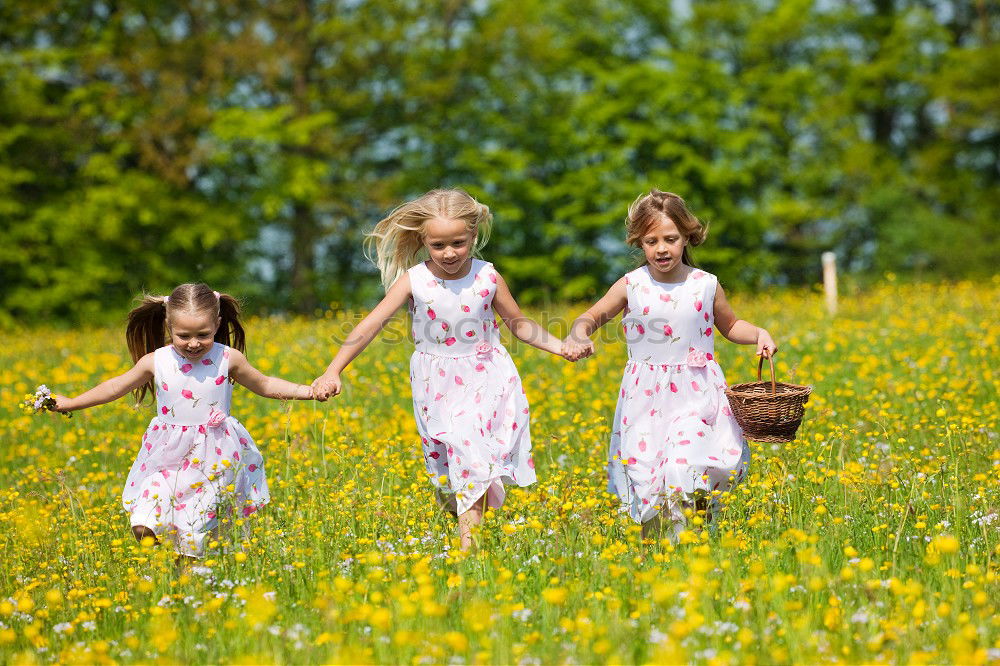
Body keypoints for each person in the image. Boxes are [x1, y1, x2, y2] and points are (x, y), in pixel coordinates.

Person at [312, 189, 566, 551]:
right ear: (424, 242)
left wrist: (561, 347)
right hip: (436, 383)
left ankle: (469, 552)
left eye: (458, 243)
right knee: (449, 474)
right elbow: (370, 325)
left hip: (487, 376)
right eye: (439, 245)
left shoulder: (488, 277)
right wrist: (333, 370)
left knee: (471, 452)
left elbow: (520, 324)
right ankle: (461, 513)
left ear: (473, 236)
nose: (449, 253)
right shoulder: (415, 280)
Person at [562, 190, 777, 540]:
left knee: (687, 465)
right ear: (639, 243)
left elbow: (731, 325)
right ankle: (658, 550)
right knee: (647, 478)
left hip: (697, 394)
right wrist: (579, 334)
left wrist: (759, 334)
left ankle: (694, 541)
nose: (661, 248)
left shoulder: (705, 285)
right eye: (651, 241)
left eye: (670, 239)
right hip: (644, 399)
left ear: (687, 237)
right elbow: (590, 317)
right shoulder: (632, 285)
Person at [52, 283, 313, 557]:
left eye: (203, 334)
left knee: (196, 530)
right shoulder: (156, 361)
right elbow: (115, 387)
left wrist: (309, 391)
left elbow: (266, 384)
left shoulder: (227, 358)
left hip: (215, 456)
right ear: (168, 326)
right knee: (144, 519)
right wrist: (71, 402)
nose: (193, 343)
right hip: (167, 455)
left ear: (217, 324)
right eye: (183, 335)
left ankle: (187, 576)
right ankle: (163, 554)